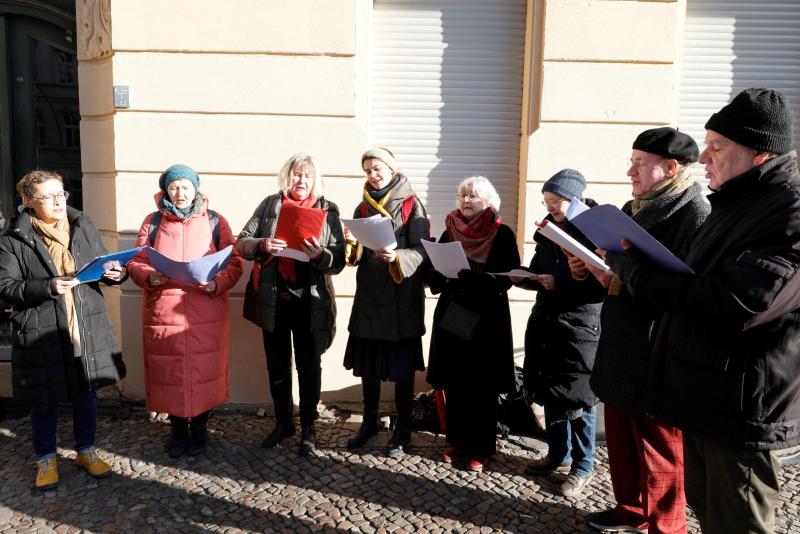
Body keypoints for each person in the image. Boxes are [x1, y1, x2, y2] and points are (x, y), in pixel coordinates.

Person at [603, 89, 799, 534]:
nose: (705, 158)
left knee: (739, 522)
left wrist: (631, 270)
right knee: (710, 511)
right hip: (703, 393)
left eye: (717, 147)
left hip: (742, 406)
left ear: (759, 154)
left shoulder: (790, 213)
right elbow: (688, 276)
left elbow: (733, 303)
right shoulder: (733, 202)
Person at [568, 128, 709, 533]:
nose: (630, 170)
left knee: (661, 448)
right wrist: (593, 269)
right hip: (621, 343)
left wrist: (621, 273)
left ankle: (666, 525)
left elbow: (684, 290)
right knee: (623, 439)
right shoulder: (636, 206)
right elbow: (622, 276)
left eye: (639, 163)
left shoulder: (694, 212)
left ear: (670, 168)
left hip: (657, 347)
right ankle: (630, 510)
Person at [0, 170, 127, 490]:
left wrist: (114, 274)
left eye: (61, 194)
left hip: (83, 321)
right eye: (48, 196)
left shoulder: (82, 225)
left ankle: (85, 450)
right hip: (41, 327)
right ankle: (45, 458)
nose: (58, 201)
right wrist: (49, 286)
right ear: (28, 201)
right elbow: (7, 287)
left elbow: (99, 266)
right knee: (44, 397)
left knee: (87, 390)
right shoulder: (13, 238)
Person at [127, 164, 243, 458]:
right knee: (171, 373)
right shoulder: (153, 222)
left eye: (185, 187)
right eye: (174, 187)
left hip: (206, 310)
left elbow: (234, 261)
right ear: (166, 190)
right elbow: (136, 260)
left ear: (196, 189)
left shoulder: (216, 221)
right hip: (164, 310)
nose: (180, 193)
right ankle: (178, 430)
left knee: (204, 372)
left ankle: (200, 429)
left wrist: (217, 283)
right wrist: (148, 276)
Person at [236, 153, 345, 456]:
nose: (301, 181)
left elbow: (339, 260)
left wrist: (320, 256)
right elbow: (241, 241)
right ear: (287, 176)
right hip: (273, 298)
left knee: (309, 366)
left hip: (311, 302)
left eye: (307, 176)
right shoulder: (270, 204)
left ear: (315, 180)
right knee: (278, 365)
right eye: (297, 174)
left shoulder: (328, 209)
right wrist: (262, 244)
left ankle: (309, 427)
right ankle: (284, 423)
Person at [514, 169, 604, 498]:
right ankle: (557, 454)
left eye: (556, 201)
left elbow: (602, 285)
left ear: (575, 199)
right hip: (547, 321)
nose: (550, 206)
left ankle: (583, 466)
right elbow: (541, 270)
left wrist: (560, 282)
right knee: (551, 391)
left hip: (580, 325)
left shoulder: (597, 231)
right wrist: (524, 277)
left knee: (580, 398)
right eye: (547, 201)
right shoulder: (550, 231)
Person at [426, 176, 519, 472]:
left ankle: (482, 447)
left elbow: (509, 278)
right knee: (455, 381)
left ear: (488, 202)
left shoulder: (502, 233)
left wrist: (475, 279)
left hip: (487, 320)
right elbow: (437, 272)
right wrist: (435, 275)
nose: (466, 200)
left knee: (482, 385)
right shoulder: (449, 229)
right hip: (452, 316)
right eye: (462, 195)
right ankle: (456, 441)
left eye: (473, 196)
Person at [343, 147, 430, 457]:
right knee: (369, 368)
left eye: (377, 168)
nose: (372, 174)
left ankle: (403, 428)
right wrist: (351, 244)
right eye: (367, 170)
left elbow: (423, 251)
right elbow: (353, 257)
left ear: (392, 169)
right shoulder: (362, 207)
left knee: (402, 370)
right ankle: (369, 422)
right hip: (368, 296)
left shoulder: (411, 204)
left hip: (400, 300)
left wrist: (397, 257)